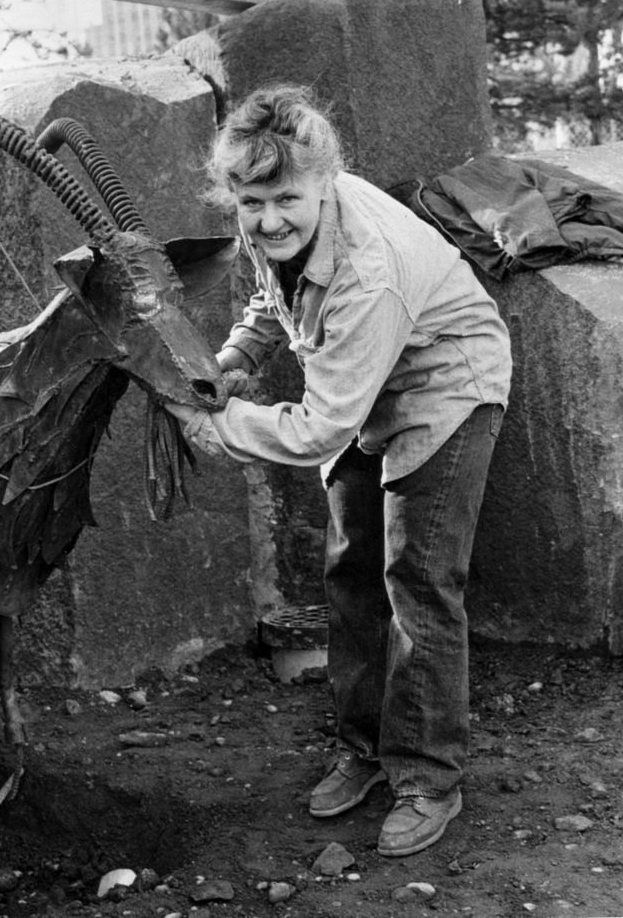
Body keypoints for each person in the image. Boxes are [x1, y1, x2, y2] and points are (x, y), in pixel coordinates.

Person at [165, 84, 513, 857]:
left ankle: (428, 778)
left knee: (418, 582)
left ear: (324, 181)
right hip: (358, 380)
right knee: (351, 569)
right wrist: (231, 365)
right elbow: (269, 298)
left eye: (286, 198)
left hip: (444, 386)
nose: (268, 218)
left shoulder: (367, 273)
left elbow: (319, 424)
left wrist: (215, 422)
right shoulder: (275, 220)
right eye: (251, 202)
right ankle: (363, 749)